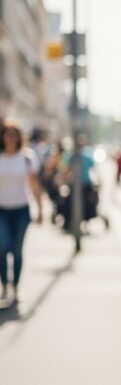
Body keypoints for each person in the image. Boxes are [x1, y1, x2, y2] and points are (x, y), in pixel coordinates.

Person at [0, 119, 43, 303]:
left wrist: (40, 209)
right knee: (2, 248)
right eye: (7, 134)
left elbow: (34, 185)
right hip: (1, 210)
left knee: (17, 250)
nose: (10, 138)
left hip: (21, 210)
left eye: (13, 135)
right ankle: (4, 285)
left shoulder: (26, 158)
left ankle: (15, 287)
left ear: (18, 138)